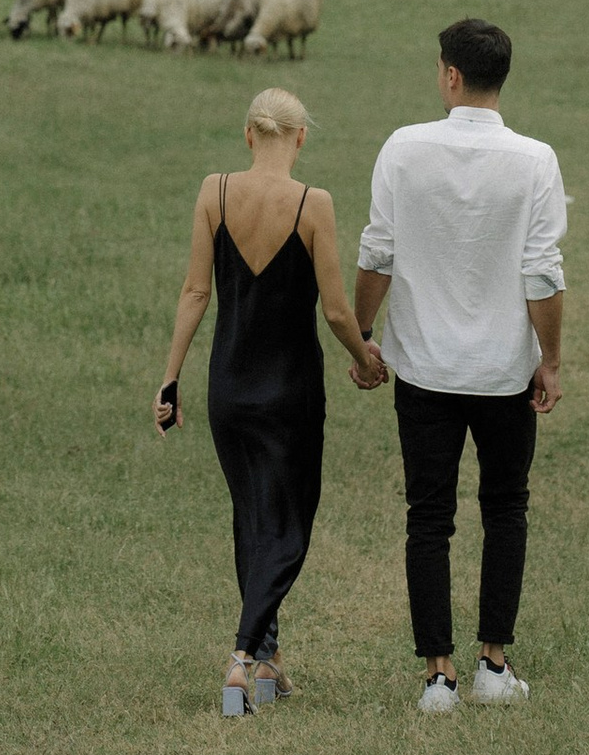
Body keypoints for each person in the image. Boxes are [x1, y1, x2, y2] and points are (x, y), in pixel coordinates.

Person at [353, 16, 566, 712]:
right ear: (500, 77)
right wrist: (552, 359)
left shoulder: (403, 148)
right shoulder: (535, 159)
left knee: (429, 515)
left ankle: (438, 675)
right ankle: (494, 663)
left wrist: (361, 334)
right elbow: (542, 273)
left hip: (422, 365)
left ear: (450, 75)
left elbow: (377, 252)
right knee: (506, 508)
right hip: (505, 366)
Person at [157, 86, 388, 716]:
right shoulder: (314, 204)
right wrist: (365, 357)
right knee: (288, 524)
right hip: (291, 390)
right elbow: (338, 309)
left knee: (252, 518)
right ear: (302, 137)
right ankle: (239, 659)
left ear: (248, 134)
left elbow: (194, 292)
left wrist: (171, 379)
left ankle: (268, 661)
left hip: (228, 386)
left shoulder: (215, 191)